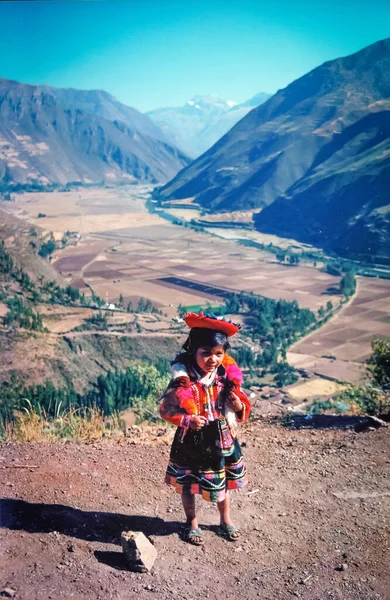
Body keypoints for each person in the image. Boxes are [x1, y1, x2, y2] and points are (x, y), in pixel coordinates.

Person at [160, 312, 251, 545]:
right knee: (189, 485)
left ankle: (225, 520)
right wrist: (186, 421)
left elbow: (241, 407)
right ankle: (191, 522)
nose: (213, 359)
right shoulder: (183, 380)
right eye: (206, 353)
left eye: (219, 353)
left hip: (221, 437)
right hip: (191, 439)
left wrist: (238, 405)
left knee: (224, 481)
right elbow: (166, 410)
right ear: (193, 352)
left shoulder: (225, 378)